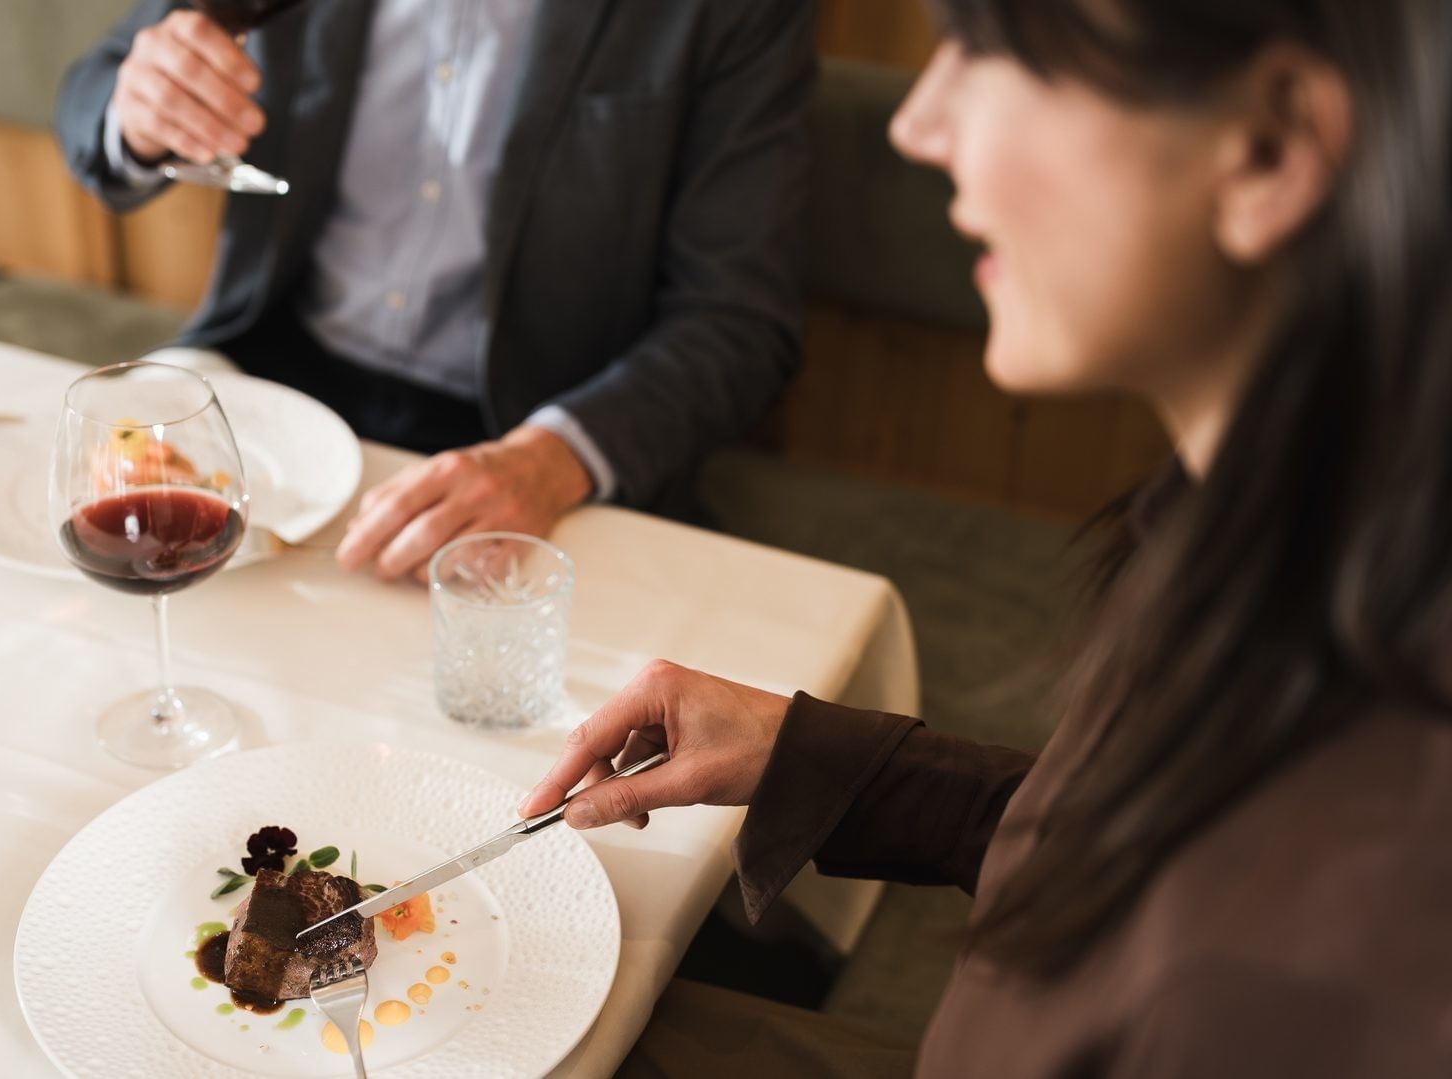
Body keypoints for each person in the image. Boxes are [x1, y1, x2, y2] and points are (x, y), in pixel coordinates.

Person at [522, 1, 1452, 1075]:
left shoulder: (1323, 958)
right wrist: (814, 756)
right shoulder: (1281, 536)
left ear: (1270, 150)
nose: (918, 123)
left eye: (991, 49)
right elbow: (1112, 845)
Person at [56, 1, 813, 580]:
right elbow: (98, 85)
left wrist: (552, 460)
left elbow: (739, 319)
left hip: (523, 435)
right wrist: (139, 112)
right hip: (264, 390)